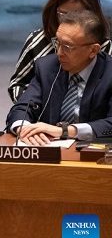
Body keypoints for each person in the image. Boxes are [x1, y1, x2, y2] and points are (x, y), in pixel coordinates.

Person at [7, 10, 112, 145]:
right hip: (51, 150)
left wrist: (64, 131)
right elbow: (22, 107)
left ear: (93, 50)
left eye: (67, 47)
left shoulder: (109, 74)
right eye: (57, 42)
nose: (59, 53)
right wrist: (24, 128)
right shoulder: (47, 67)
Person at [8, 0, 112, 102]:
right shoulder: (37, 41)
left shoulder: (105, 45)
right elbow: (17, 84)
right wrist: (36, 108)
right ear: (54, 9)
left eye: (79, 15)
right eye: (63, 14)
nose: (70, 21)